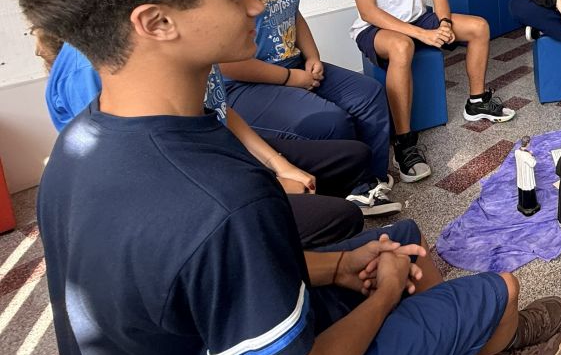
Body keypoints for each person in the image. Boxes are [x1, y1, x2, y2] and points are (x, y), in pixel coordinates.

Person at [10, 0, 561, 355]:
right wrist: (382, 298)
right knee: (496, 288)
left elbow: (203, 280)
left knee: (398, 241)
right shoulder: (220, 197)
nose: (257, 5)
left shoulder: (81, 144)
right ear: (156, 22)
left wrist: (338, 268)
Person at [188, 0, 398, 215]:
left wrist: (312, 57)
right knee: (329, 121)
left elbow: (293, 12)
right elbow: (222, 62)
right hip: (247, 83)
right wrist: (291, 79)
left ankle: (371, 182)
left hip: (296, 63)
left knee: (369, 92)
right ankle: (344, 194)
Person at [43, 37, 377, 245]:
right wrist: (270, 185)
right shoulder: (92, 72)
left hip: (223, 156)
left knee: (352, 157)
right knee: (342, 215)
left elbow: (218, 108)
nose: (254, 6)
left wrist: (279, 165)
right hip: (194, 197)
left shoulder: (178, 42)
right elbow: (160, 188)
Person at [346, 0, 516, 184]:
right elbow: (368, 11)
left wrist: (445, 24)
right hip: (376, 28)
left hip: (418, 17)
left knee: (478, 26)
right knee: (401, 46)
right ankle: (404, 143)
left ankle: (476, 101)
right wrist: (423, 34)